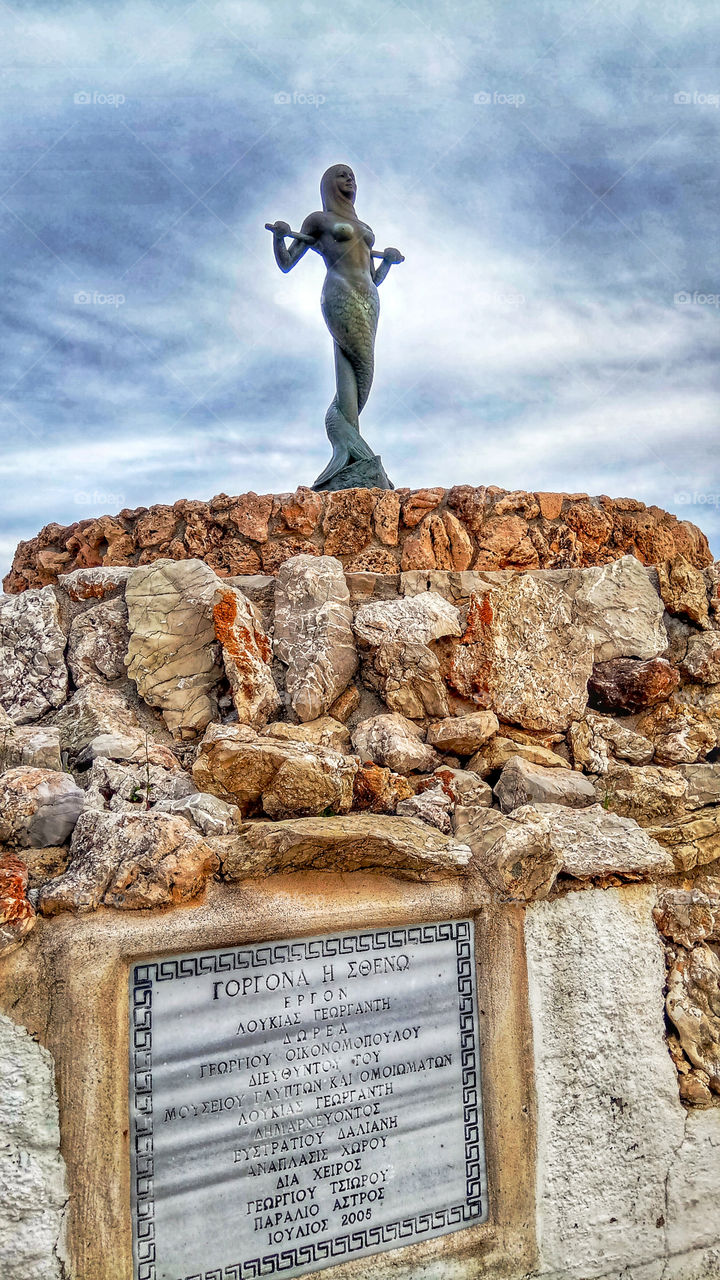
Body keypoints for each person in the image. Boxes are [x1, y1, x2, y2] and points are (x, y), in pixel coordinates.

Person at [268, 164, 403, 490]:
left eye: (353, 175)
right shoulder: (319, 220)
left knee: (365, 370)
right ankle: (350, 450)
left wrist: (387, 261)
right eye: (342, 174)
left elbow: (373, 278)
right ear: (329, 183)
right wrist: (278, 236)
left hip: (368, 297)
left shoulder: (364, 226)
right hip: (339, 292)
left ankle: (353, 455)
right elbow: (287, 262)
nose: (349, 179)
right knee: (357, 364)